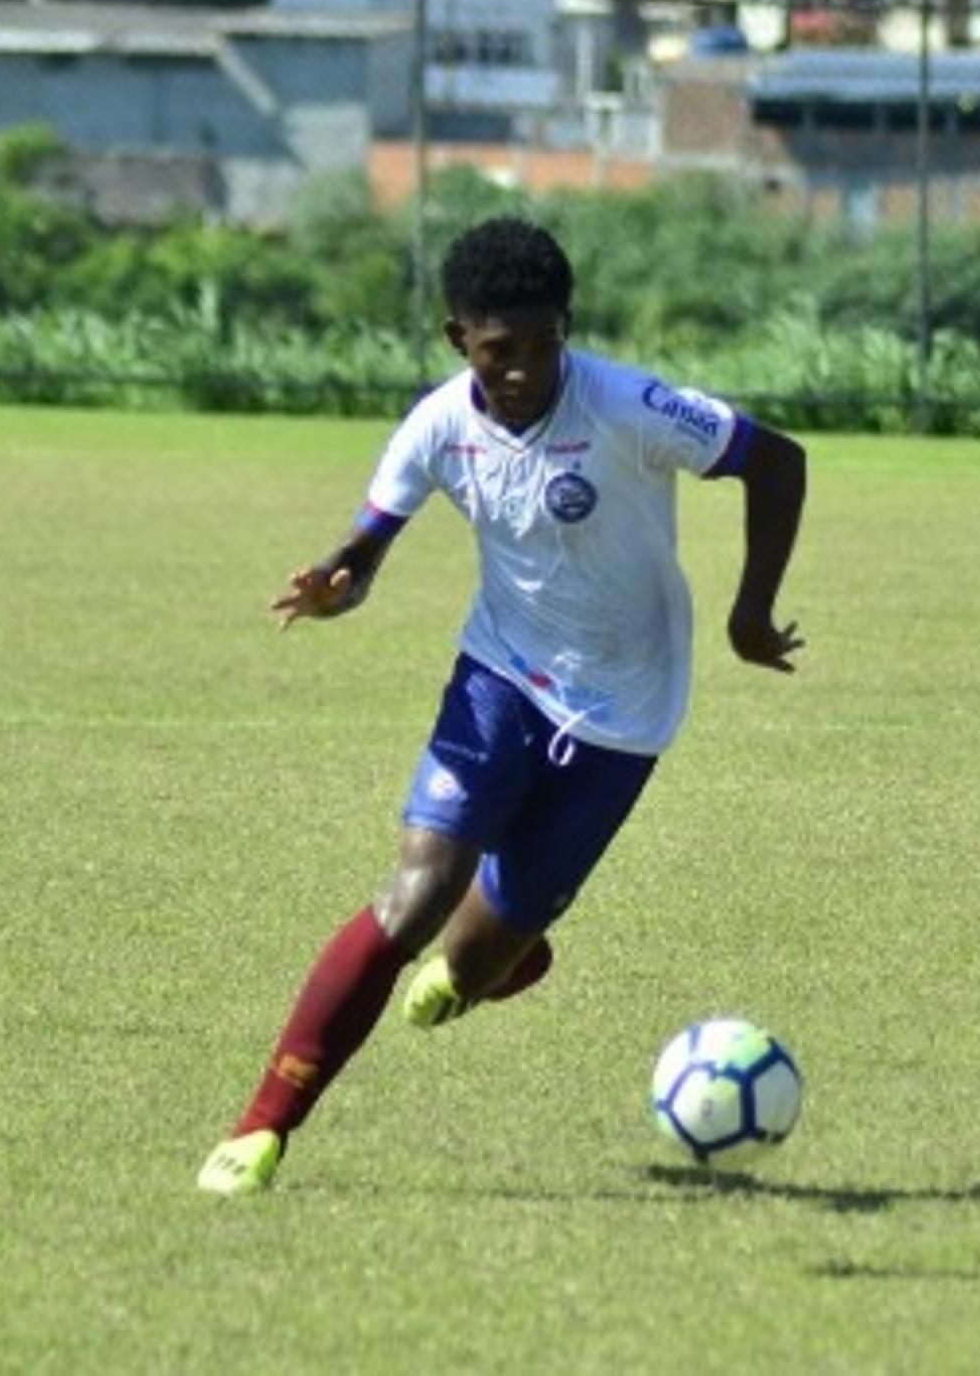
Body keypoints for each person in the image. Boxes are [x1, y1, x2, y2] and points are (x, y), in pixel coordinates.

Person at [197, 216, 806, 1196]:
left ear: (566, 328)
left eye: (542, 346)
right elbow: (364, 551)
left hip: (623, 713)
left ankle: (495, 957)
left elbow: (777, 460)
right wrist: (333, 584)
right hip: (500, 682)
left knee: (472, 961)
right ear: (457, 341)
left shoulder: (626, 405)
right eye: (497, 351)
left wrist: (749, 613)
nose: (523, 370)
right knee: (414, 895)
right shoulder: (440, 426)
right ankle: (264, 1125)